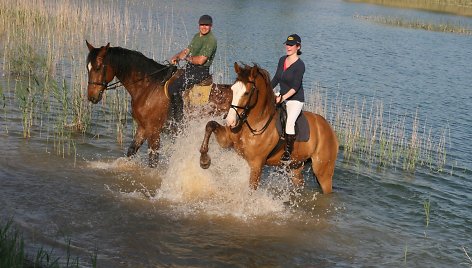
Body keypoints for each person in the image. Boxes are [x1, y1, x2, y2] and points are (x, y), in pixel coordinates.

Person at [168, 14, 217, 123]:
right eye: (202, 25)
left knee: (172, 88)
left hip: (200, 72)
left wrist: (187, 58)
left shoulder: (211, 40)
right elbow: (186, 51)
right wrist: (176, 57)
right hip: (190, 68)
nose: (204, 27)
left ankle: (178, 120)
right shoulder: (197, 36)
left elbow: (200, 60)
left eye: (207, 25)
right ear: (199, 25)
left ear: (211, 26)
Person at [271, 34, 305, 162]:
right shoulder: (282, 60)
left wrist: (282, 97)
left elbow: (295, 87)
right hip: (281, 95)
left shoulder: (300, 66)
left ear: (298, 47)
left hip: (295, 99)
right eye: (287, 44)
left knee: (289, 124)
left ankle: (288, 154)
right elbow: (276, 79)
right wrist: (267, 90)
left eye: (291, 45)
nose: (288, 47)